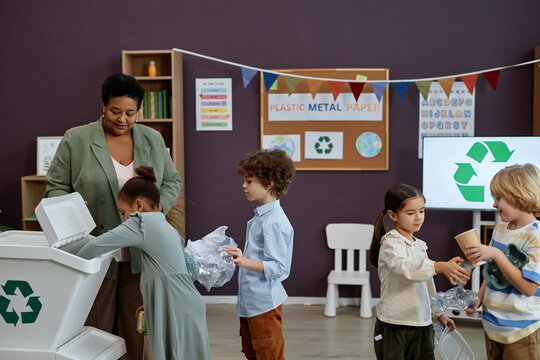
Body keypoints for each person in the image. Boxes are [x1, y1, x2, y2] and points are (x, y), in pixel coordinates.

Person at [44, 73, 182, 360]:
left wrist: (153, 214)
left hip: (142, 255)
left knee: (136, 331)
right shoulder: (77, 138)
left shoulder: (152, 138)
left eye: (130, 113)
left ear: (138, 111)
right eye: (115, 111)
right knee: (96, 330)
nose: (123, 119)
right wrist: (71, 205)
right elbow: (55, 188)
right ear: (103, 106)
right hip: (96, 252)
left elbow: (171, 181)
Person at [77, 166, 211, 359]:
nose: (124, 219)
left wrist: (69, 262)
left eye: (123, 212)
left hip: (175, 304)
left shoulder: (140, 223)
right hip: (186, 301)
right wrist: (151, 301)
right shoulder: (165, 225)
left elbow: (96, 246)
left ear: (138, 206)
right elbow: (167, 269)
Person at [369, 183, 471, 360]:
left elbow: (426, 283)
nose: (418, 217)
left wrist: (437, 314)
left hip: (422, 322)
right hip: (395, 323)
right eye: (411, 213)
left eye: (422, 211)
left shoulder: (420, 245)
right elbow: (405, 269)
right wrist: (439, 266)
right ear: (393, 215)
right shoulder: (391, 243)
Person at [464, 164, 540, 359]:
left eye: (499, 198)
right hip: (493, 326)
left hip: (521, 331)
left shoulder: (535, 236)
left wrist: (496, 254)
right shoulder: (500, 230)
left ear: (519, 195)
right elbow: (492, 271)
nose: (494, 205)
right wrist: (479, 297)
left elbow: (529, 289)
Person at [226, 149, 296, 360]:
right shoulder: (261, 217)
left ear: (269, 183)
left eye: (249, 181)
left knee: (268, 356)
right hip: (251, 303)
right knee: (253, 353)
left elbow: (280, 268)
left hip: (263, 305)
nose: (244, 185)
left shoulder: (274, 221)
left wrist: (244, 261)